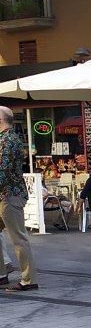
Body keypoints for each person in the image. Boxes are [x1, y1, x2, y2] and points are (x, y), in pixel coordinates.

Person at [0, 105, 38, 292]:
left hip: (9, 194)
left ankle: (28, 279)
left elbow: (3, 169)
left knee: (18, 237)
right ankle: (1, 274)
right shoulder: (5, 138)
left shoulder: (8, 140)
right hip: (5, 194)